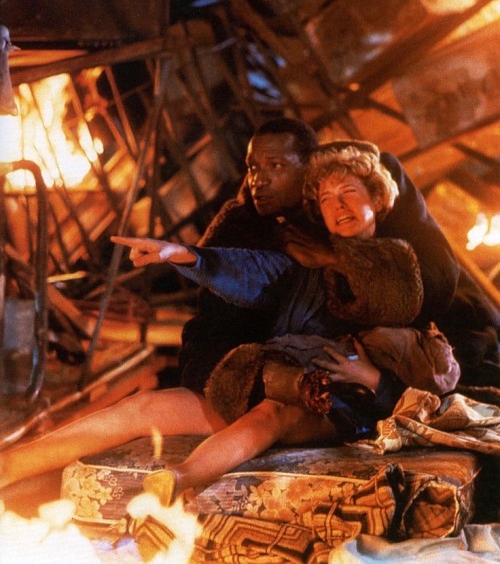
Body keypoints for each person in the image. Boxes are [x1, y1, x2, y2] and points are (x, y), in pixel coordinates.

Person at [0, 144, 458, 494]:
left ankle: (176, 483)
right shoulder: (308, 258)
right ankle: (9, 466)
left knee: (272, 414)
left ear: (377, 199)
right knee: (145, 408)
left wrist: (369, 377)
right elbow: (255, 271)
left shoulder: (406, 269)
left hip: (341, 406)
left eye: (349, 194)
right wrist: (184, 255)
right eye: (326, 198)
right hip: (274, 379)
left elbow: (411, 346)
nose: (338, 206)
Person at [180, 117, 498, 391]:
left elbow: (436, 279)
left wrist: (340, 257)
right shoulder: (245, 229)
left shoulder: (367, 181)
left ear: (308, 165)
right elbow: (211, 329)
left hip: (450, 340)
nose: (258, 180)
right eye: (252, 168)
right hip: (337, 370)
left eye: (276, 166)